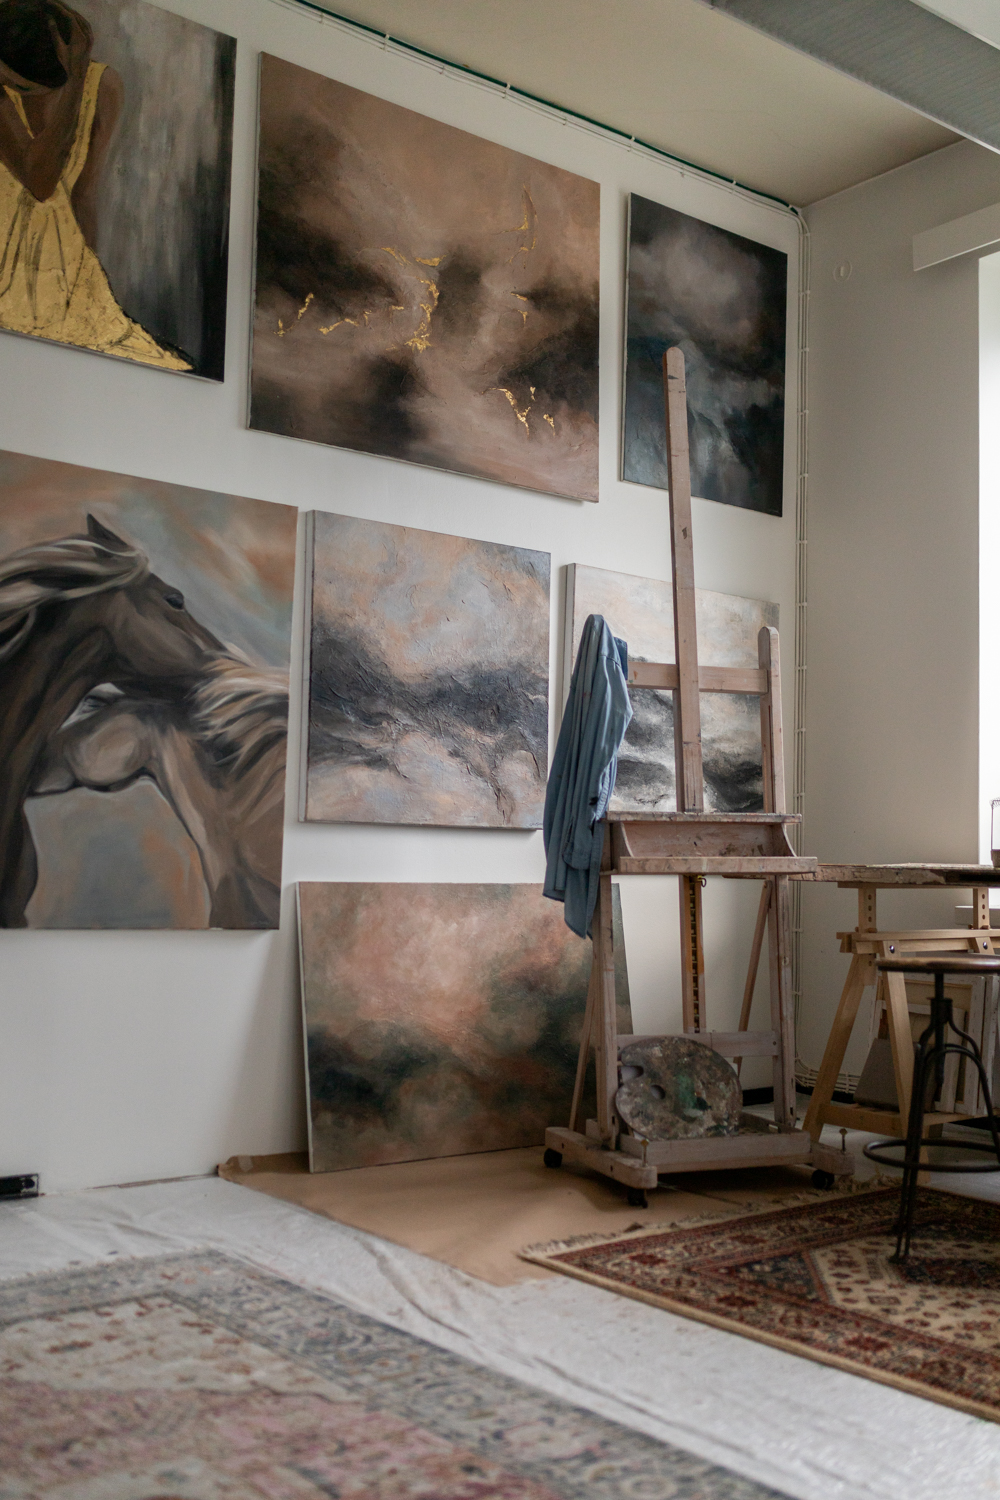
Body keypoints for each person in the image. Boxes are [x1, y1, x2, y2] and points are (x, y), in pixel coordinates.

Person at [0, 0, 190, 368]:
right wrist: (73, 84)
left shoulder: (102, 85)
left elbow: (85, 192)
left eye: (21, 86)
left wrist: (90, 279)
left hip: (64, 262)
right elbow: (41, 182)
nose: (8, 85)